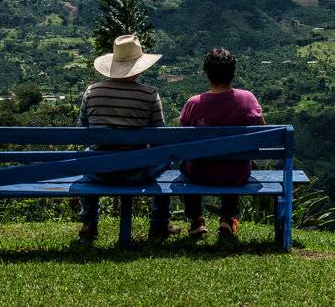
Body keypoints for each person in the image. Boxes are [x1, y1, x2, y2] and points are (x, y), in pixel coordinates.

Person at [77, 34, 179, 241]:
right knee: (166, 158)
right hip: (137, 172)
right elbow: (159, 137)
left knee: (87, 156)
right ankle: (160, 223)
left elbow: (83, 130)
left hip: (100, 171)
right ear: (138, 67)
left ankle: (90, 222)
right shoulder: (149, 95)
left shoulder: (92, 92)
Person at [179, 47, 265, 238]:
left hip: (199, 174)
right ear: (232, 73)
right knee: (232, 161)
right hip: (236, 174)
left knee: (186, 163)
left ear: (207, 74)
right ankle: (227, 218)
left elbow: (182, 139)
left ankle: (196, 220)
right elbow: (262, 130)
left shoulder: (193, 103)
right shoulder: (248, 98)